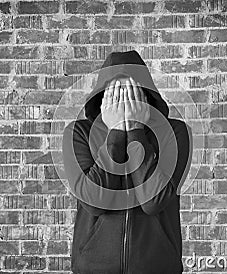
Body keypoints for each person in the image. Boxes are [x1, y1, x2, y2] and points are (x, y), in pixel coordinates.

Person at [62, 50, 193, 274]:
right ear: (102, 95)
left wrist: (135, 130)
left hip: (157, 266)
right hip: (94, 267)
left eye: (131, 92)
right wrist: (115, 132)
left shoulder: (175, 132)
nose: (124, 100)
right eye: (115, 92)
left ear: (145, 94)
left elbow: (153, 201)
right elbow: (94, 202)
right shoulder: (79, 132)